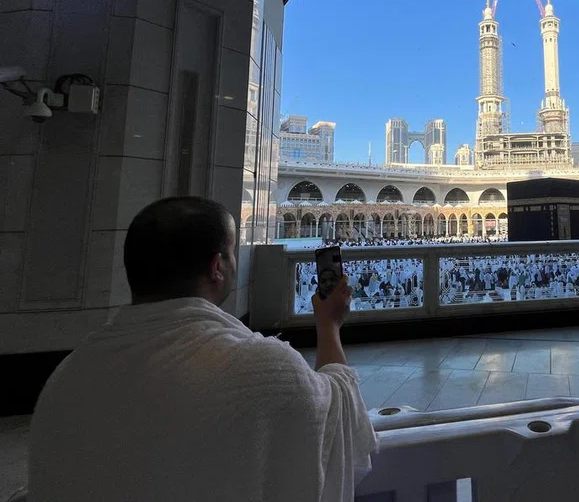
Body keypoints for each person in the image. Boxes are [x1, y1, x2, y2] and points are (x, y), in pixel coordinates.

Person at [28, 197, 376, 501]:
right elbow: (342, 421)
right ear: (217, 267)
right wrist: (329, 325)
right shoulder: (261, 368)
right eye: (232, 252)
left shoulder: (67, 375)